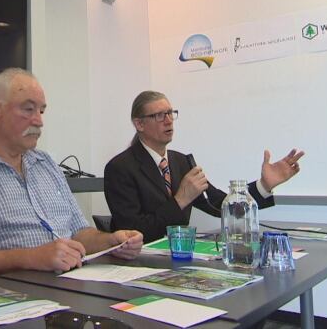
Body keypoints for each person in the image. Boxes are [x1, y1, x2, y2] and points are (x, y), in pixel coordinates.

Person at [0, 68, 143, 282]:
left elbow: (79, 233)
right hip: (7, 298)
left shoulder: (46, 165)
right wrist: (31, 257)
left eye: (41, 111)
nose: (39, 121)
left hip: (70, 285)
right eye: (28, 109)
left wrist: (111, 241)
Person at [104, 90, 305, 242]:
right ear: (139, 124)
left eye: (170, 113)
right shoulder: (120, 168)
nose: (168, 121)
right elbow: (132, 233)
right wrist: (180, 199)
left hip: (178, 255)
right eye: (159, 115)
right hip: (139, 263)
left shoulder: (181, 162)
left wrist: (264, 185)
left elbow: (219, 205)